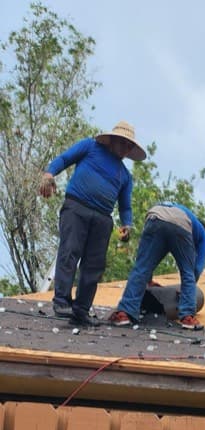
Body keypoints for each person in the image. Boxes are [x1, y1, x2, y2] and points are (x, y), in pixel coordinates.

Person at [39, 121, 146, 326]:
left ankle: (81, 311)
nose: (124, 148)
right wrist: (49, 173)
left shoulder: (125, 175)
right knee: (69, 252)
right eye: (122, 143)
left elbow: (125, 206)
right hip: (77, 207)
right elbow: (64, 159)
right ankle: (61, 301)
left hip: (103, 219)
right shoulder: (89, 147)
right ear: (112, 140)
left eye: (128, 145)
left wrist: (127, 224)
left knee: (94, 266)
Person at [106, 203, 205, 329]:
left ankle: (124, 314)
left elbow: (147, 261)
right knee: (187, 272)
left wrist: (149, 281)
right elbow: (196, 269)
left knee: (141, 268)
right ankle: (187, 318)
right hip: (180, 224)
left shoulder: (186, 214)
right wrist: (185, 293)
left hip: (155, 216)